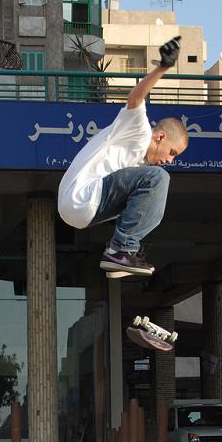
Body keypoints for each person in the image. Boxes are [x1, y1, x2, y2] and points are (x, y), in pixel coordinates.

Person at [58, 36, 188, 278]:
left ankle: (118, 256)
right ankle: (121, 250)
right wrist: (163, 67)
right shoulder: (139, 131)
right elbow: (135, 98)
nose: (171, 160)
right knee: (158, 178)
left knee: (149, 201)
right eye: (172, 152)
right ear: (160, 137)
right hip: (82, 197)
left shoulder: (137, 168)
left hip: (81, 211)